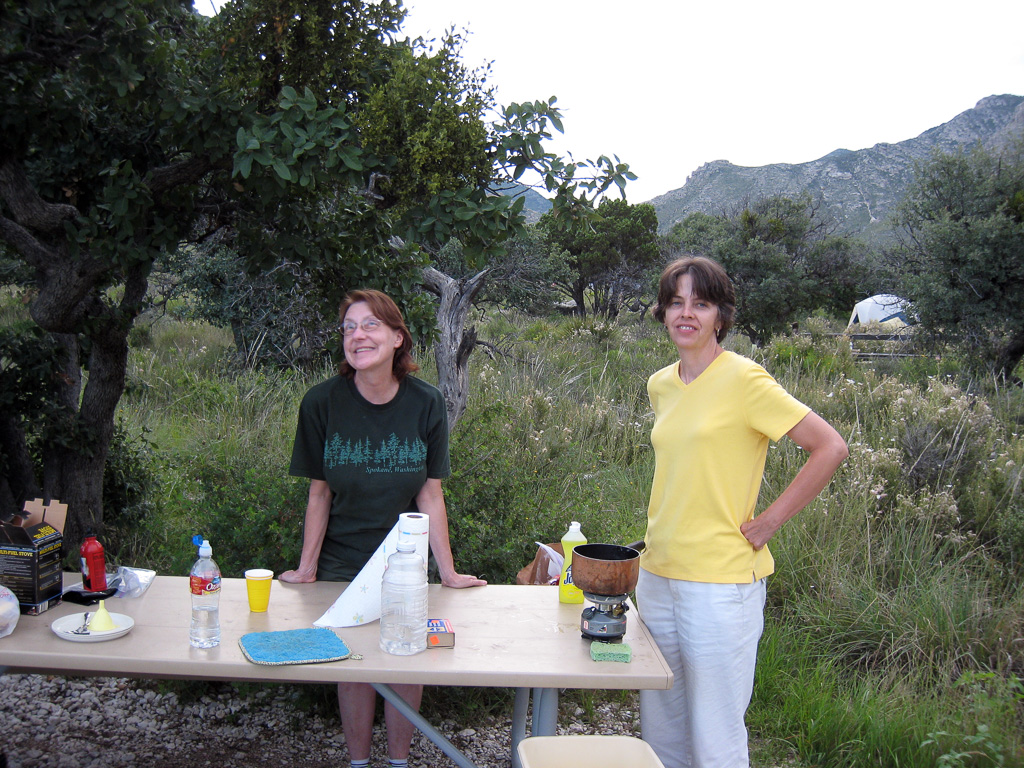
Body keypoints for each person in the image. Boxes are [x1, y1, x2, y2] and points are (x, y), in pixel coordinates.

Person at [637, 256, 848, 768]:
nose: (687, 313)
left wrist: (771, 520)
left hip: (720, 583)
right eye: (676, 302)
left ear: (720, 317)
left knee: (716, 733)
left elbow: (830, 447)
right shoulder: (660, 384)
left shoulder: (746, 380)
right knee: (660, 727)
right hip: (657, 573)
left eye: (701, 303)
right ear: (664, 312)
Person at [280, 289, 486, 768]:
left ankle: (398, 761)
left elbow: (430, 494)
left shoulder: (427, 403)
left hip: (408, 564)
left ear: (397, 338)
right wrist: (307, 567)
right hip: (341, 563)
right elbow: (319, 493)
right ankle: (357, 762)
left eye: (370, 325)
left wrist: (449, 573)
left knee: (406, 662)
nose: (357, 335)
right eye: (349, 328)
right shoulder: (321, 403)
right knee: (352, 667)